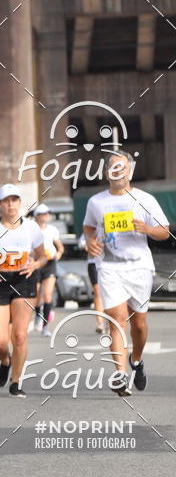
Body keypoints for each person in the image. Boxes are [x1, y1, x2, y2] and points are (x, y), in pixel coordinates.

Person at [83, 150, 169, 395]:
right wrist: (91, 241)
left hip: (139, 266)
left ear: (129, 171)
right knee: (116, 316)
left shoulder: (145, 199)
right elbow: (88, 227)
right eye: (113, 167)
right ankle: (120, 374)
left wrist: (147, 229)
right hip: (109, 266)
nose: (117, 171)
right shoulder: (96, 202)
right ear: (106, 172)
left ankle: (137, 360)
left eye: (122, 167)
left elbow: (164, 231)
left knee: (139, 324)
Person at [0, 184, 47, 397]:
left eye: (15, 199)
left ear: (20, 202)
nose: (11, 204)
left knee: (19, 335)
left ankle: (16, 381)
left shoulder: (31, 227)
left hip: (23, 280)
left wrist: (35, 265)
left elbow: (43, 255)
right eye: (6, 200)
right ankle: (6, 360)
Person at [32, 204, 64, 336]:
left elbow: (60, 247)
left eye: (47, 214)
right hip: (36, 263)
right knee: (37, 296)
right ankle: (38, 315)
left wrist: (59, 254)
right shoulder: (32, 229)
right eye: (43, 214)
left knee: (48, 295)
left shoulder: (52, 229)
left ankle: (45, 327)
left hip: (50, 263)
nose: (46, 216)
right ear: (37, 216)